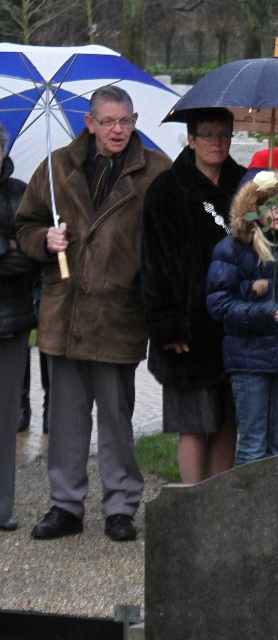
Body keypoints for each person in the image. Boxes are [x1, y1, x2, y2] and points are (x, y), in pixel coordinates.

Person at [16, 85, 170, 542]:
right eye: (108, 122)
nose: (117, 130)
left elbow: (166, 242)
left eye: (125, 121)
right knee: (65, 419)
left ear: (134, 121)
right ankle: (65, 506)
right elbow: (25, 224)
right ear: (90, 123)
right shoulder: (56, 166)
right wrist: (44, 240)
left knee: (117, 419)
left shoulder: (156, 172)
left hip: (119, 313)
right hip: (64, 313)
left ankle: (120, 507)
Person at [141, 108, 245, 484]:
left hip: (234, 325)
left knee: (227, 419)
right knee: (194, 423)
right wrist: (168, 326)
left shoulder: (244, 186)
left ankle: (217, 501)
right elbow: (153, 264)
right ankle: (191, 499)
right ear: (191, 139)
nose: (217, 142)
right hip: (187, 327)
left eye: (224, 135)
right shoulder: (166, 190)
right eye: (208, 135)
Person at [207, 170, 278, 465]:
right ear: (251, 208)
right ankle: (248, 498)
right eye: (269, 204)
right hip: (249, 361)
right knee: (253, 446)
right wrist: (260, 312)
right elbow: (218, 304)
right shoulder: (231, 249)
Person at [0, 124, 40, 531]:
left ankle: (1, 506)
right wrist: (4, 246)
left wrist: (15, 250)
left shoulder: (19, 193)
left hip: (9, 322)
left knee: (5, 417)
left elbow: (29, 256)